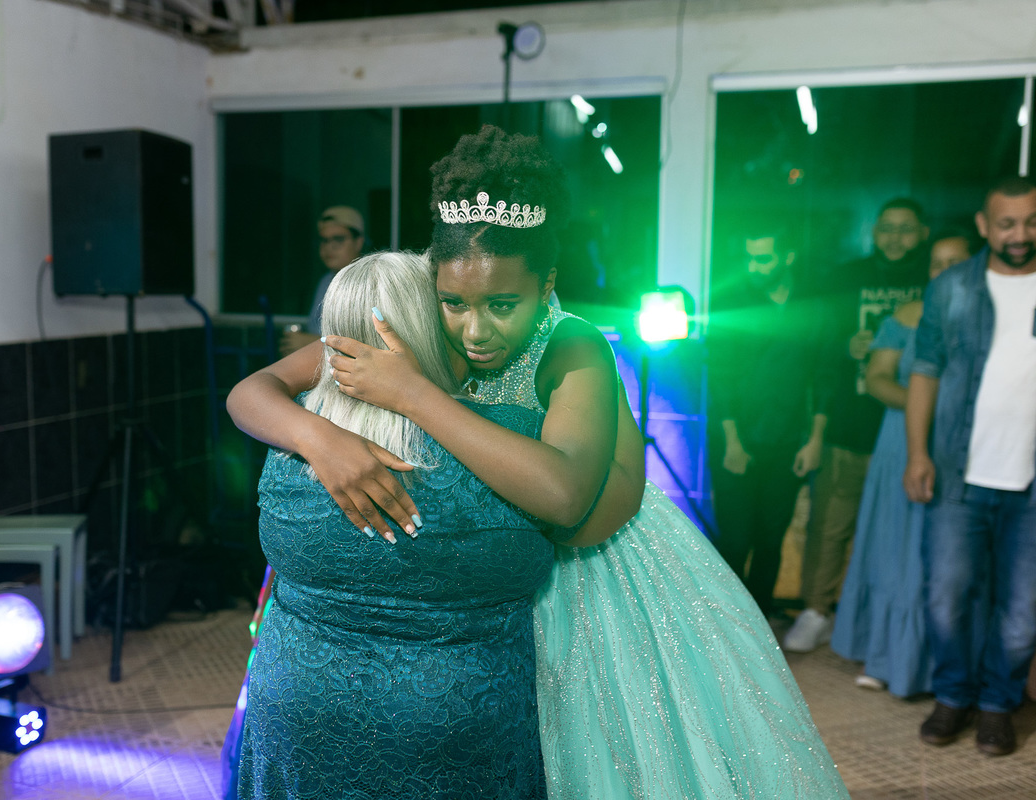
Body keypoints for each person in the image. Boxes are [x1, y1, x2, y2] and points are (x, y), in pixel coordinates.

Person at [228, 126, 849, 798]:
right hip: (476, 580)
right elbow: (250, 393)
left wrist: (415, 394)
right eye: (454, 303)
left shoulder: (571, 345)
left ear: (546, 284)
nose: (475, 331)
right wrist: (319, 438)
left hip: (585, 568)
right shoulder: (416, 320)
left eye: (503, 305)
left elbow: (570, 503)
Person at [223, 250, 556, 798]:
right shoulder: (513, 442)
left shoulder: (284, 447)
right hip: (456, 728)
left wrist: (313, 435)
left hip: (296, 707)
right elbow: (566, 525)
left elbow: (248, 392)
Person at [904, 176, 1036, 757]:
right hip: (958, 474)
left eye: (1031, 221)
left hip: (1031, 486)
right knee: (946, 596)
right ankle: (953, 695)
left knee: (1023, 611)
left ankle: (998, 706)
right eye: (1006, 223)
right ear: (984, 225)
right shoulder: (952, 287)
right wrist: (918, 452)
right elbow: (925, 371)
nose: (1019, 234)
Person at [784, 197, 931, 652]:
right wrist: (844, 346)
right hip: (849, 422)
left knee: (899, 530)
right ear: (873, 231)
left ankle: (881, 621)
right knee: (830, 524)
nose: (895, 238)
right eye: (886, 227)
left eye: (906, 229)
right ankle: (815, 610)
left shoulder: (938, 278)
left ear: (923, 233)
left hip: (911, 429)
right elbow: (818, 351)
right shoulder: (847, 278)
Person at [830, 230, 973, 696]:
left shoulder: (984, 318)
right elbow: (876, 378)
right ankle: (884, 653)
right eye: (936, 263)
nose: (944, 271)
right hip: (901, 441)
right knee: (895, 548)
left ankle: (937, 666)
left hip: (959, 446)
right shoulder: (907, 315)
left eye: (955, 262)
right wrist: (924, 408)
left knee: (947, 557)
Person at [706, 222, 826, 617]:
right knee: (735, 540)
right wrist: (733, 443)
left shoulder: (811, 304)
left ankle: (758, 623)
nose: (754, 266)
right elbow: (720, 378)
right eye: (749, 257)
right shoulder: (733, 301)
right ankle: (727, 622)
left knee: (771, 539)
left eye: (763, 258)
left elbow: (824, 375)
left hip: (788, 439)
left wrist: (814, 440)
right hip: (737, 437)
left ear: (788, 256)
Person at [277, 206, 365, 357]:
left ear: (358, 242)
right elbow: (315, 329)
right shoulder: (325, 281)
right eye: (324, 240)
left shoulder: (367, 282)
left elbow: (363, 346)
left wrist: (309, 343)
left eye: (338, 239)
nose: (329, 247)